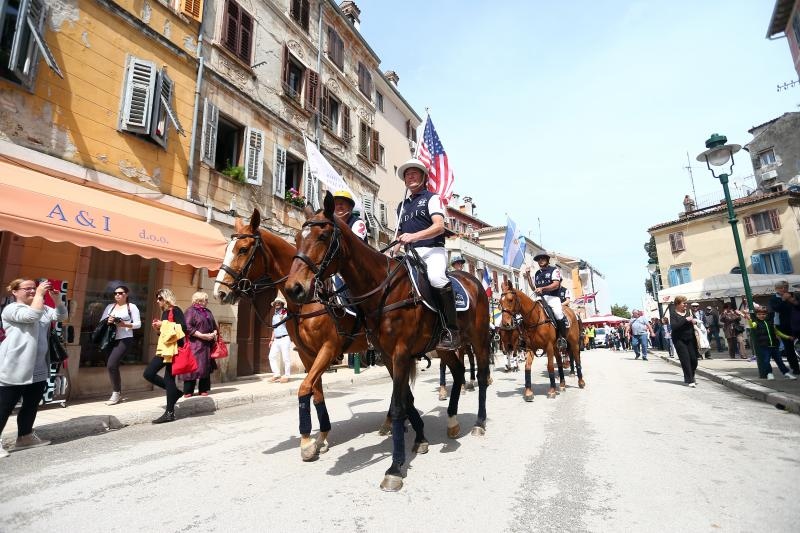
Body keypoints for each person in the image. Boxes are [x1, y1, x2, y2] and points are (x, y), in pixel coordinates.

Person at [393, 158, 459, 349]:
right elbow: (399, 236)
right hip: (411, 255)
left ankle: (452, 329)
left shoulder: (432, 198)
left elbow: (439, 227)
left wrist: (413, 236)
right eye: (407, 174)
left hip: (432, 251)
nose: (410, 176)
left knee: (437, 278)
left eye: (414, 173)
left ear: (423, 177)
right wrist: (392, 250)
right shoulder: (402, 206)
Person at [0, 278, 68, 457]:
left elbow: (61, 316)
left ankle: (25, 437)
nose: (32, 291)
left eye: (34, 288)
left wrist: (58, 300)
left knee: (31, 404)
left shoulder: (43, 308)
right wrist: (39, 294)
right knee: (4, 406)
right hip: (14, 366)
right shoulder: (12, 309)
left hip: (38, 367)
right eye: (27, 288)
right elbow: (32, 316)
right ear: (15, 291)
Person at [145, 288, 186, 424]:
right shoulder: (164, 313)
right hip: (165, 349)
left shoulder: (175, 310)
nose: (157, 301)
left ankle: (170, 412)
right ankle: (174, 393)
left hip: (173, 350)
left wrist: (163, 324)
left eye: (160, 298)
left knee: (166, 378)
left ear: (166, 298)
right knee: (150, 374)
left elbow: (183, 328)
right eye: (157, 298)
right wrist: (158, 329)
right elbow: (167, 333)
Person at [100, 285, 141, 405]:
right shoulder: (110, 307)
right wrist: (108, 321)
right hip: (110, 339)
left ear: (126, 294)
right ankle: (117, 391)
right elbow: (101, 321)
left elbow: (138, 324)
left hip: (125, 338)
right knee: (113, 366)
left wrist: (124, 325)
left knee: (111, 364)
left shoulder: (131, 307)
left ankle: (116, 393)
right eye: (115, 293)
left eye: (120, 293)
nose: (117, 295)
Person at [179, 292, 218, 397]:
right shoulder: (190, 311)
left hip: (207, 344)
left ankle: (203, 389)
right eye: (206, 300)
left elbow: (214, 325)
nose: (207, 302)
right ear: (199, 300)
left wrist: (214, 333)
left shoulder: (208, 312)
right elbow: (187, 327)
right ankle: (188, 390)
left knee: (205, 367)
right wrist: (202, 335)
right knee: (193, 367)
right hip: (194, 344)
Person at [743, 305, 796, 380]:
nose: (761, 316)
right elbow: (752, 325)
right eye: (759, 314)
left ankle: (786, 373)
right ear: (756, 315)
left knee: (779, 361)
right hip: (764, 346)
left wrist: (787, 337)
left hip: (774, 345)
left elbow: (777, 332)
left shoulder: (770, 322)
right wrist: (749, 319)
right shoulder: (756, 323)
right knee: (766, 361)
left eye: (763, 314)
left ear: (766, 314)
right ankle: (769, 373)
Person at [768, 280, 800, 376]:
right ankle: (795, 368)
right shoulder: (773, 299)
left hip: (796, 324)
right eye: (782, 287)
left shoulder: (793, 295)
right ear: (776, 289)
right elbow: (777, 308)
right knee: (789, 348)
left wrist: (793, 301)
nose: (784, 289)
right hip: (782, 326)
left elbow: (798, 307)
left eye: (786, 287)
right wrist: (783, 300)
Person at [670, 296, 700, 387]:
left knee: (694, 360)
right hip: (679, 339)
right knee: (685, 359)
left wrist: (695, 321)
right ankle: (690, 379)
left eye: (686, 303)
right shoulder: (673, 313)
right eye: (684, 303)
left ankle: (691, 374)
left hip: (690, 338)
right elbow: (674, 327)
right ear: (678, 304)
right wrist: (685, 320)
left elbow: (695, 320)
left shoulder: (689, 312)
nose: (686, 305)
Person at [268, 297, 292, 383]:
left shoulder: (285, 312)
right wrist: (271, 340)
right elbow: (274, 329)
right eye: (276, 303)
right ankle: (276, 374)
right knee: (271, 356)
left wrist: (285, 312)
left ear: (282, 304)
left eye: (279, 302)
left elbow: (289, 318)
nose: (277, 304)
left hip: (285, 337)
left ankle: (287, 375)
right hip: (276, 340)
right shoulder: (274, 316)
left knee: (286, 357)